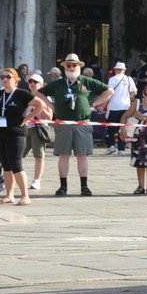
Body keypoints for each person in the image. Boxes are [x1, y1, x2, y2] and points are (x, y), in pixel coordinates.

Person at [41, 54, 113, 197]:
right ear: (65, 68)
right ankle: (63, 186)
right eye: (68, 65)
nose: (72, 67)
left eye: (74, 65)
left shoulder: (87, 81)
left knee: (82, 155)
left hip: (82, 123)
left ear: (80, 67)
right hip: (63, 123)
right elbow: (39, 93)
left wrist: (93, 104)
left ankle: (84, 186)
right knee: (63, 155)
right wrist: (51, 106)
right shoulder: (59, 83)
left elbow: (109, 91)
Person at [0, 68, 47, 205]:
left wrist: (28, 118)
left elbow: (41, 105)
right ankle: (9, 195)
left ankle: (25, 196)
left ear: (15, 79)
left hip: (16, 132)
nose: (5, 79)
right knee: (5, 164)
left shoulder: (22, 94)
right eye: (2, 77)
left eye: (8, 76)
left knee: (16, 164)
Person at [21, 71, 51, 190]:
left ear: (42, 84)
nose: (32, 84)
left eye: (35, 82)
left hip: (39, 128)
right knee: (19, 154)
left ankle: (37, 180)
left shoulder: (45, 97)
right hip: (26, 127)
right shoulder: (27, 96)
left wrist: (41, 107)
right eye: (30, 81)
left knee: (38, 155)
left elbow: (49, 116)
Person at [104, 61, 137, 154]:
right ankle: (121, 149)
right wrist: (128, 97)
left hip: (113, 106)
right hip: (125, 106)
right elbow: (134, 92)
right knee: (122, 127)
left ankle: (111, 146)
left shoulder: (112, 79)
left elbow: (109, 92)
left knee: (110, 127)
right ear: (124, 70)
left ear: (115, 70)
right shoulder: (129, 79)